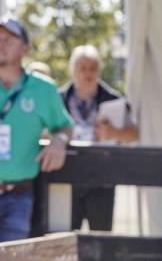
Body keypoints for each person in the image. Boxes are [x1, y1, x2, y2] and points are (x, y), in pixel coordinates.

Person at [0, 17, 73, 242]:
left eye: (8, 40)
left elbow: (66, 126)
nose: (0, 44)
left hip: (19, 195)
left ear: (25, 49)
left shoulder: (43, 89)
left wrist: (59, 140)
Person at [60, 44, 138, 231]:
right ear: (73, 70)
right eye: (83, 68)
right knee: (64, 240)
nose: (88, 73)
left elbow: (135, 134)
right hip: (66, 178)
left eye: (93, 68)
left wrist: (113, 133)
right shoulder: (58, 98)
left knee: (101, 240)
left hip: (101, 178)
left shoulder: (114, 99)